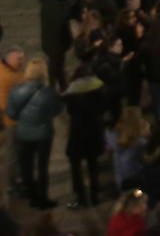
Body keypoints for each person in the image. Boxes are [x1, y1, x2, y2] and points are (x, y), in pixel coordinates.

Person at [6, 58, 63, 209]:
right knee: (42, 167)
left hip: (23, 134)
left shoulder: (16, 91)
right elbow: (57, 110)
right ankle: (43, 199)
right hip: (43, 135)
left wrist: (23, 119)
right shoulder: (49, 93)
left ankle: (31, 196)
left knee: (26, 166)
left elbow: (11, 113)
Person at [61, 62, 106, 208]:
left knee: (76, 167)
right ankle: (95, 195)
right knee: (93, 165)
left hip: (78, 133)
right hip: (95, 131)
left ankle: (80, 197)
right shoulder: (99, 87)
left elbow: (70, 111)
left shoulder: (72, 92)